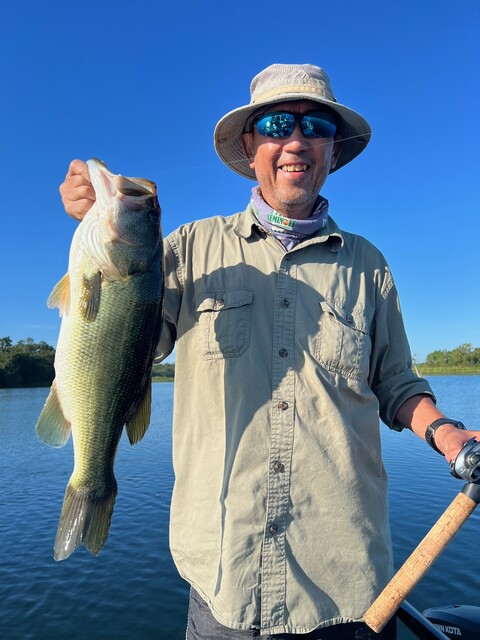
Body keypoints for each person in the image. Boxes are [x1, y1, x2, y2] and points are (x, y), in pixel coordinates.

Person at [59, 64, 479, 640]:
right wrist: (91, 220)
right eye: (279, 124)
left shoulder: (369, 265)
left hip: (344, 584)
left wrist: (450, 435)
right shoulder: (186, 248)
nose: (297, 141)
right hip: (222, 579)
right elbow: (128, 348)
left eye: (318, 127)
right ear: (251, 146)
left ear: (333, 151)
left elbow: (399, 383)